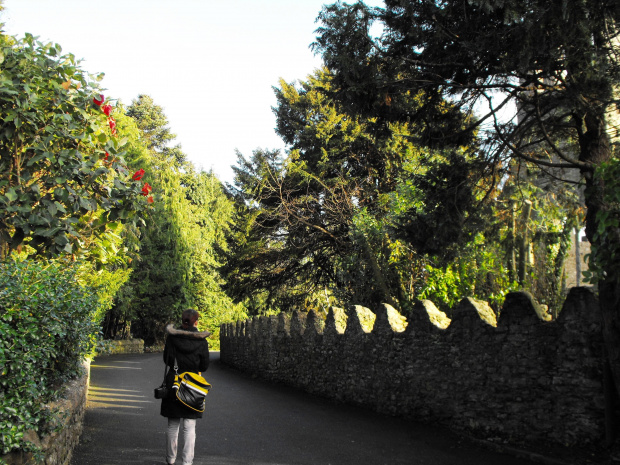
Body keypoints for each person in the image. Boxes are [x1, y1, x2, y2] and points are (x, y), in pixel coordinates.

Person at [161, 309, 210, 465]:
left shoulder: (172, 338)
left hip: (174, 382)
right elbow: (204, 365)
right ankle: (187, 462)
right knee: (189, 426)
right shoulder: (201, 341)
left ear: (182, 320)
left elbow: (167, 360)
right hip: (192, 384)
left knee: (172, 424)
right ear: (196, 322)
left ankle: (170, 459)